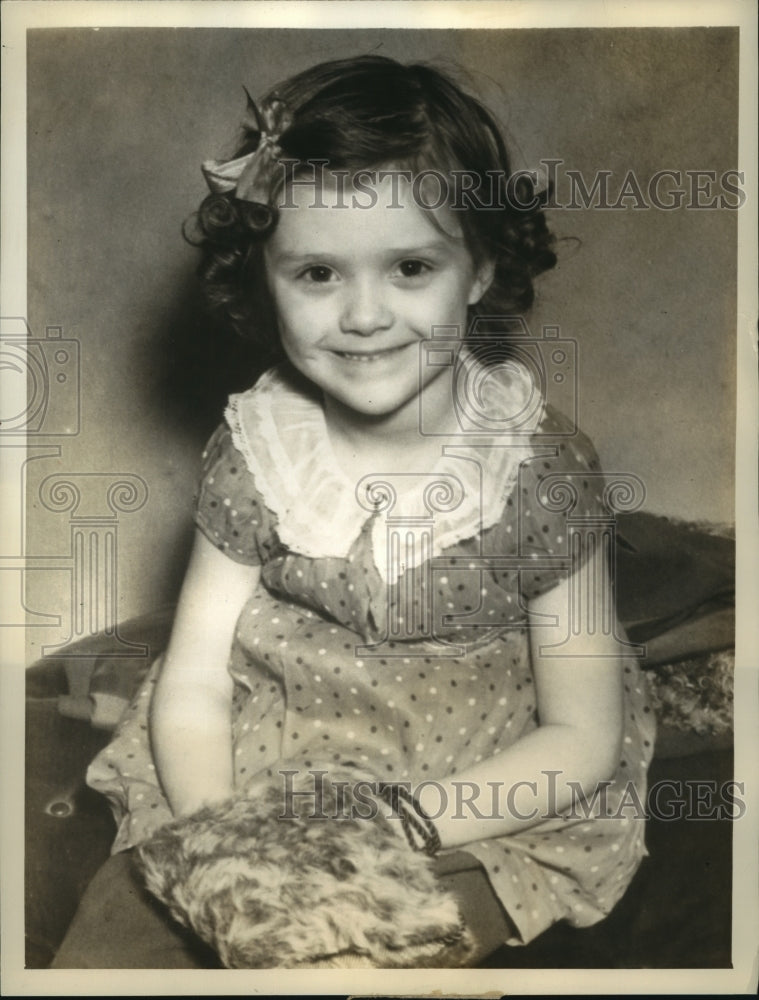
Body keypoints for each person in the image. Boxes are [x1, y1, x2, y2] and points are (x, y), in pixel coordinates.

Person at [53, 54, 655, 968]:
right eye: (318, 275)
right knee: (129, 941)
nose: (364, 315)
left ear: (481, 267)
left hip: (477, 777)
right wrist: (228, 840)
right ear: (264, 277)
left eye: (410, 266)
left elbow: (580, 735)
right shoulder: (257, 449)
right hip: (274, 749)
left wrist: (404, 825)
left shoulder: (538, 467)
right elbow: (196, 682)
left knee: (361, 959)